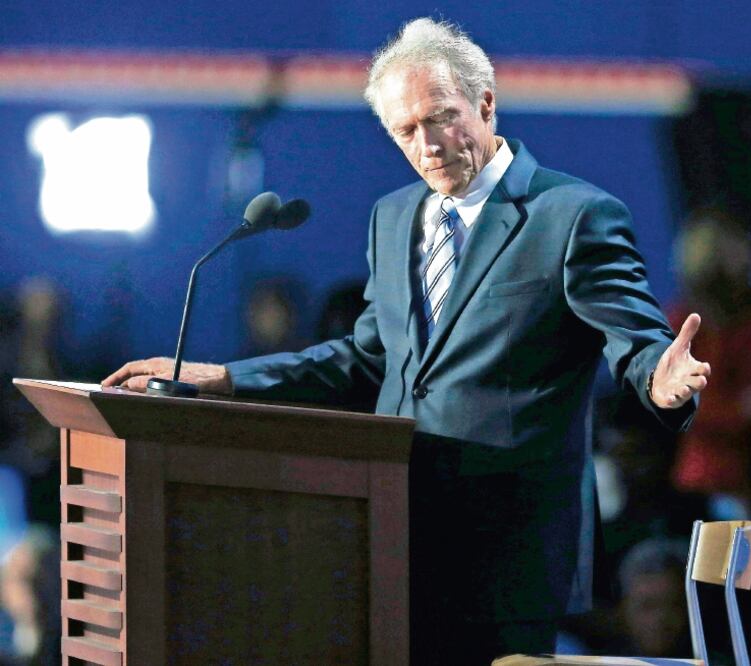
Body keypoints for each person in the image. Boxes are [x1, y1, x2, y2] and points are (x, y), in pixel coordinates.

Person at [103, 18, 710, 665]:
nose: (427, 145)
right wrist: (225, 380)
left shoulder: (573, 216)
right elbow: (369, 358)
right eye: (405, 130)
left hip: (506, 550)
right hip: (392, 528)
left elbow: (638, 343)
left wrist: (659, 379)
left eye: (440, 118)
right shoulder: (393, 216)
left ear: (485, 103)